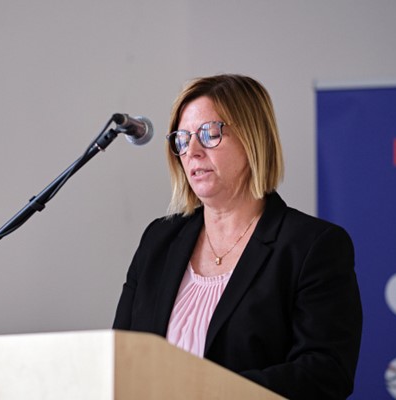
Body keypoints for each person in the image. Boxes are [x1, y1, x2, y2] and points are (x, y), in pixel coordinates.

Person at [112, 74, 362, 399]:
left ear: (252, 137)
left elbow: (325, 373)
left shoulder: (312, 246)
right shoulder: (159, 240)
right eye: (183, 139)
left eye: (209, 133)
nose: (192, 151)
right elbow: (120, 357)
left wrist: (206, 392)